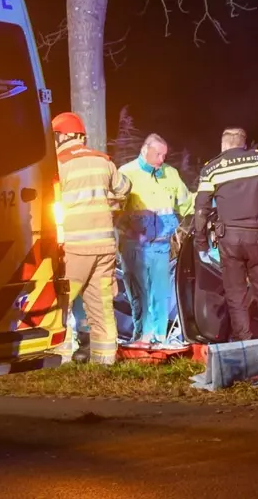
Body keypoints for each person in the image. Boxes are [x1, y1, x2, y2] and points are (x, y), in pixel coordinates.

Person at [193, 128, 258, 341]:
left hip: (229, 240)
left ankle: (243, 343)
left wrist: (201, 245)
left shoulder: (211, 169)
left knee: (235, 295)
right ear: (243, 144)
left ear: (224, 145)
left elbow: (201, 210)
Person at [52, 111, 131, 364]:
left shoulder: (58, 164)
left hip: (74, 248)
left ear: (64, 136)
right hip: (105, 247)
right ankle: (105, 359)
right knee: (103, 306)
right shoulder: (103, 161)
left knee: (59, 305)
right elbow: (124, 188)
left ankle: (59, 358)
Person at [118, 133, 192, 347]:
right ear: (144, 150)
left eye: (164, 155)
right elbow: (114, 211)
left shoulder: (171, 174)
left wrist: (209, 199)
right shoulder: (126, 173)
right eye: (158, 154)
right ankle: (143, 338)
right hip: (134, 248)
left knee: (161, 295)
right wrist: (131, 232)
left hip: (160, 247)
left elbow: (186, 203)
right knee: (139, 294)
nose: (162, 159)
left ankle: (159, 339)